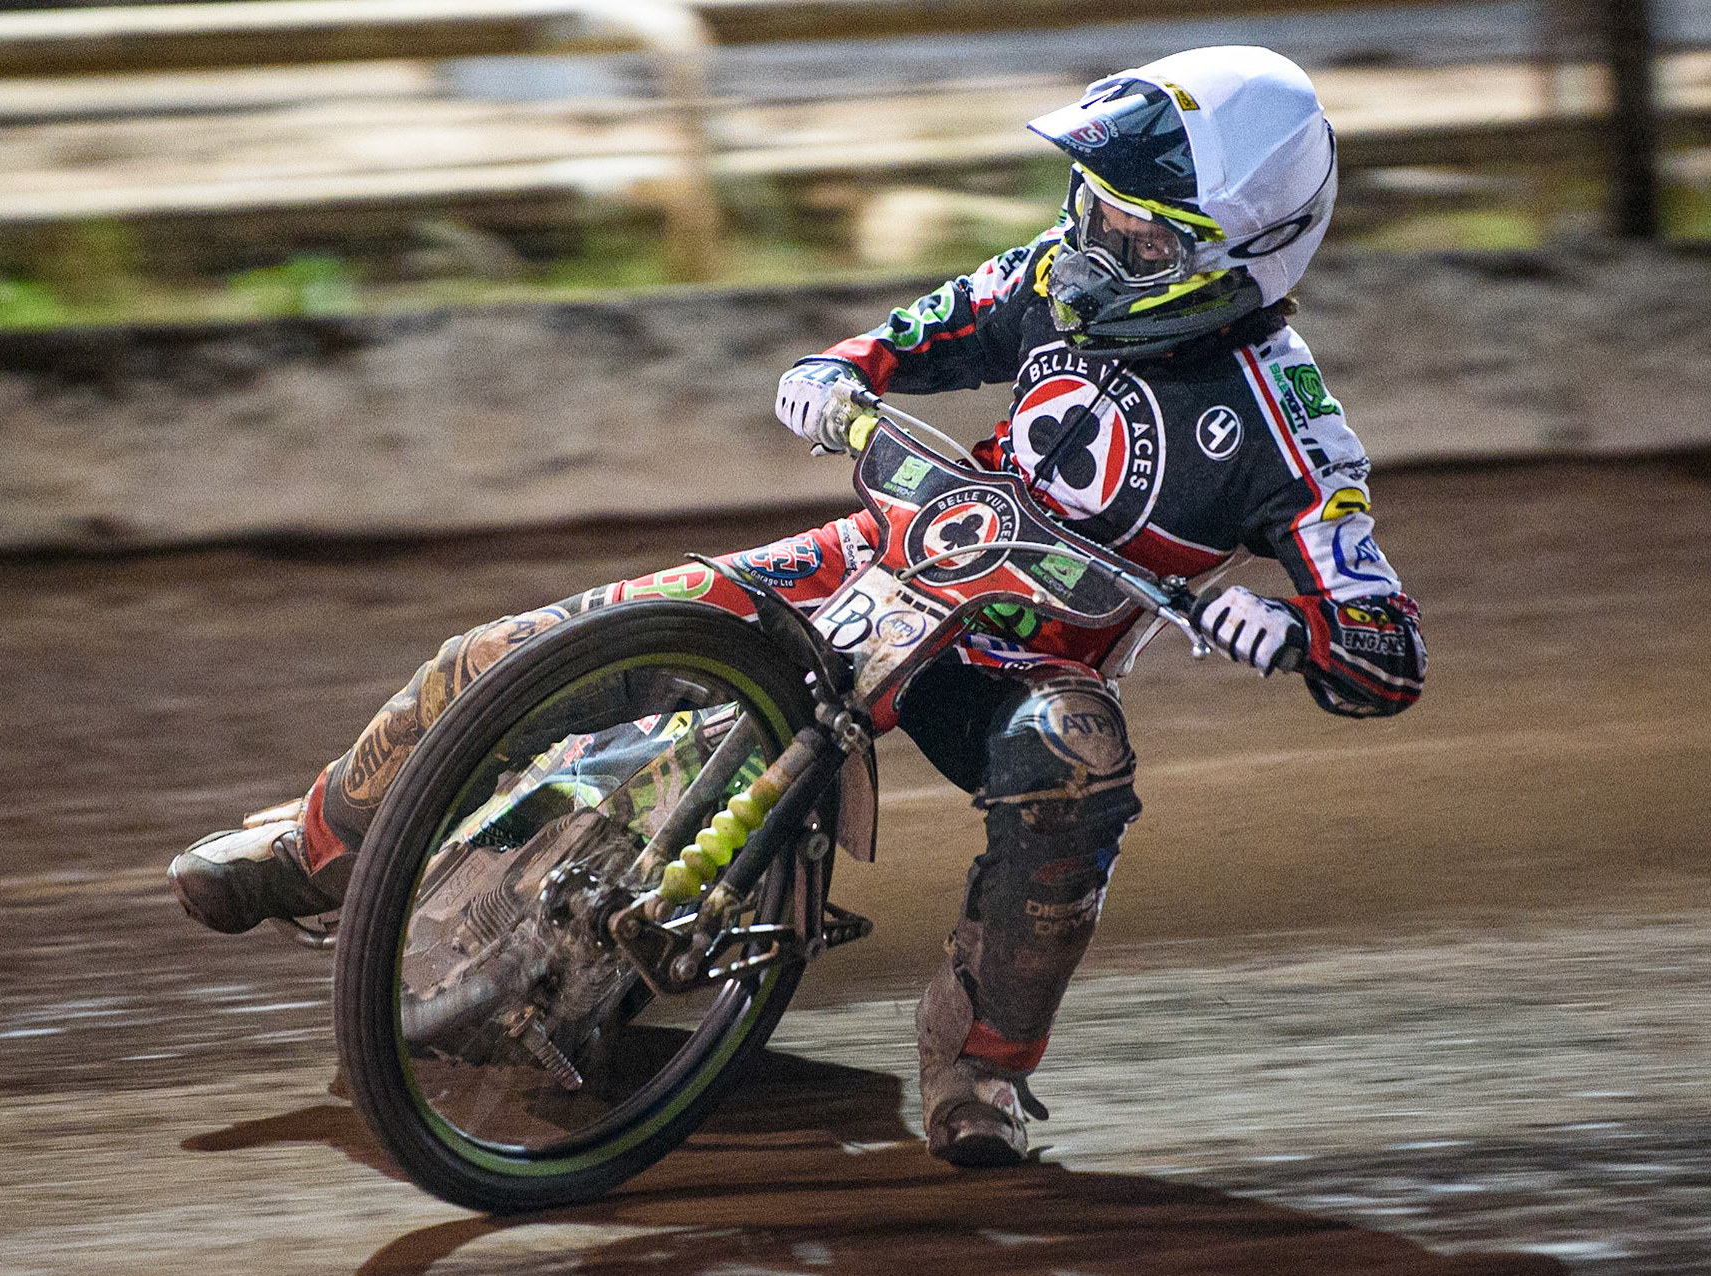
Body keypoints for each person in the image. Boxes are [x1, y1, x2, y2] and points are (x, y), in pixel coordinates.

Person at [168, 45, 1426, 1168]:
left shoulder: (1295, 434)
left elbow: (1388, 647)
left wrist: (1295, 632)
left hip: (1017, 660)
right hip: (880, 550)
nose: (1094, 243)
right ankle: (312, 848)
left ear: (1241, 252)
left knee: (1076, 759)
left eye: (1139, 237)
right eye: (1093, 205)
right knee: (517, 649)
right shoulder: (1061, 273)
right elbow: (943, 321)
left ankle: (980, 1065)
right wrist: (841, 368)